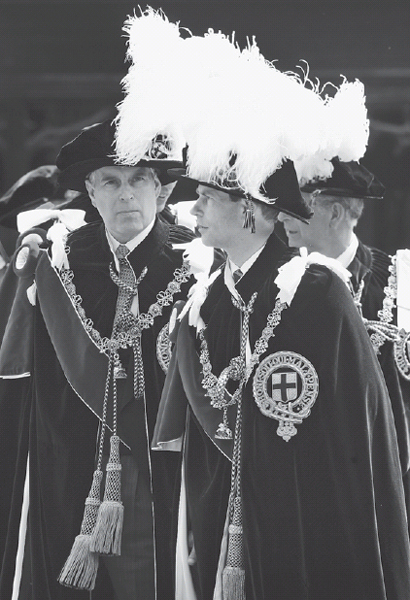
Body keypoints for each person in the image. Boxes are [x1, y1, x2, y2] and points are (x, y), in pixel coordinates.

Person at [151, 153, 410, 600]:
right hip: (220, 519)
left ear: (249, 207)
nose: (194, 210)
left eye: (207, 198)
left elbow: (356, 432)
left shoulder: (317, 289)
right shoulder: (206, 299)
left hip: (307, 515)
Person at [4, 119, 195, 600]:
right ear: (91, 193)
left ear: (162, 190)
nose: (125, 194)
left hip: (161, 469)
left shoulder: (196, 264)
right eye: (111, 181)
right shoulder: (61, 260)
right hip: (70, 461)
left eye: (138, 181)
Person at [279, 157, 410, 520]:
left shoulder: (399, 282)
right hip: (305, 484)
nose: (282, 216)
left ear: (334, 213)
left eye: (297, 206)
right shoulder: (276, 284)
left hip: (392, 483)